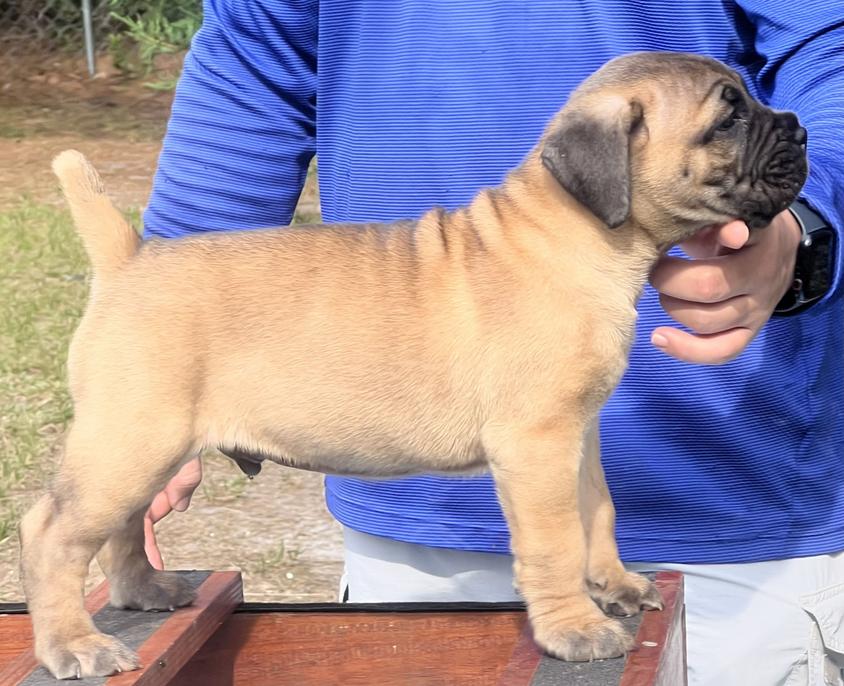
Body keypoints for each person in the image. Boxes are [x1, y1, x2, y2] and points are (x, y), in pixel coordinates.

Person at [140, 2, 844, 684]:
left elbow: (830, 42)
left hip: (731, 529)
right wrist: (169, 339)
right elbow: (258, 56)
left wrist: (810, 228)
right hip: (411, 522)